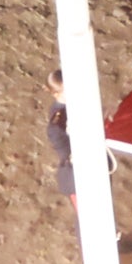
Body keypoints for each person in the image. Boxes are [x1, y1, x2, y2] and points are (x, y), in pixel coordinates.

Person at [44, 68, 75, 210]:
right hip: (74, 177)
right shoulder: (57, 123)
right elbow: (66, 154)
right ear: (57, 94)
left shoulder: (74, 105)